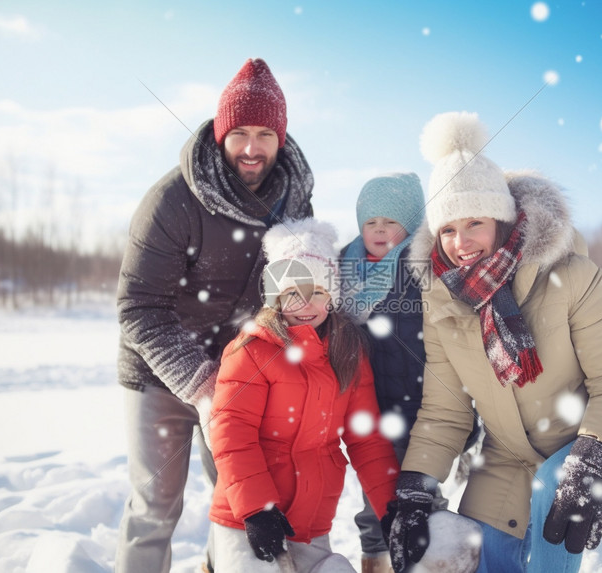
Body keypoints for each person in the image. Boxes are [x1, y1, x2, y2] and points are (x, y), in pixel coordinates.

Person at [385, 111, 602, 573]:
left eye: (474, 222)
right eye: (448, 229)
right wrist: (416, 487)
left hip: (599, 439)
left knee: (558, 494)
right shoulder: (442, 301)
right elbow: (445, 410)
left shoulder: (572, 275)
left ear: (501, 219)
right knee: (487, 555)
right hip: (508, 457)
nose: (461, 242)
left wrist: (592, 460)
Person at [115, 58, 314, 573]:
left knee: (237, 502)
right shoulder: (173, 200)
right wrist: (202, 386)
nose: (252, 148)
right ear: (221, 132)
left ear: (281, 136)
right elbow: (139, 308)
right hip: (158, 372)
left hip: (240, 373)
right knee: (155, 507)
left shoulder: (295, 199)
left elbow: (295, 287)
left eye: (265, 133)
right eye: (241, 132)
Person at [206, 217, 400, 573]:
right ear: (276, 297)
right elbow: (232, 433)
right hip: (246, 520)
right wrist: (257, 508)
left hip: (309, 523)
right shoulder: (252, 350)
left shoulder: (348, 353)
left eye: (318, 291)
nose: (305, 303)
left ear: (332, 296)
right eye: (293, 291)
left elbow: (367, 439)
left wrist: (391, 510)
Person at [340, 173, 479, 573]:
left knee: (419, 502)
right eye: (371, 222)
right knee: (373, 507)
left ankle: (429, 563)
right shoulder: (344, 269)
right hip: (372, 414)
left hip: (425, 415)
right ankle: (378, 564)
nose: (380, 230)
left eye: (391, 221)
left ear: (414, 223)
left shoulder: (425, 267)